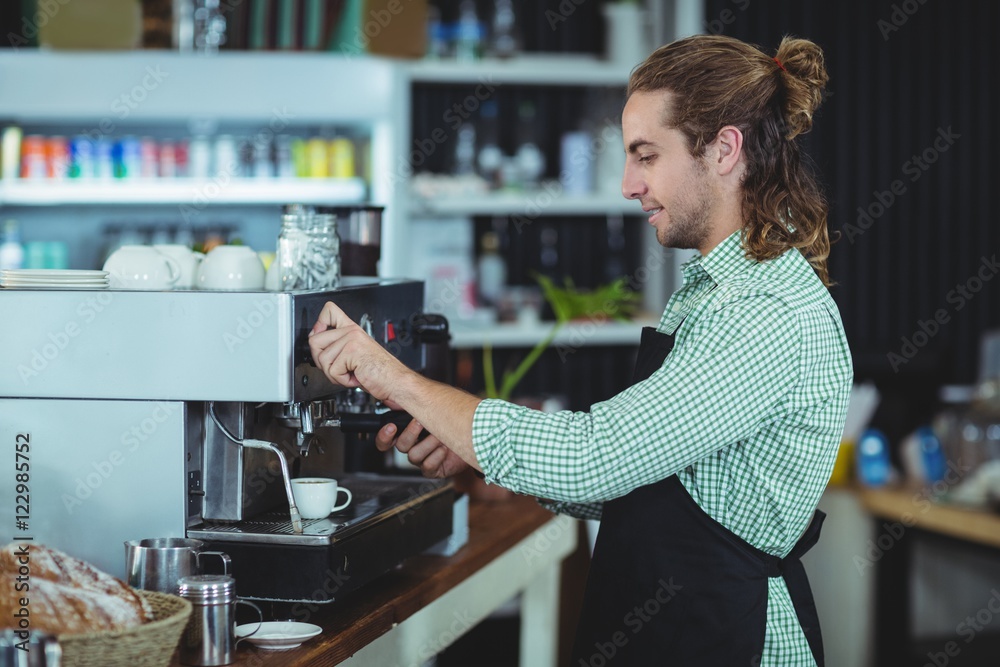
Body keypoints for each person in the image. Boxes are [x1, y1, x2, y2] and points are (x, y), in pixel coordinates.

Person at [309, 33, 852, 667]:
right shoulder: (711, 292)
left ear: (724, 149)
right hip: (684, 619)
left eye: (646, 156)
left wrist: (390, 376)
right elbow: (657, 488)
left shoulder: (762, 313)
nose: (628, 183)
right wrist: (473, 451)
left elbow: (596, 459)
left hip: (724, 632)